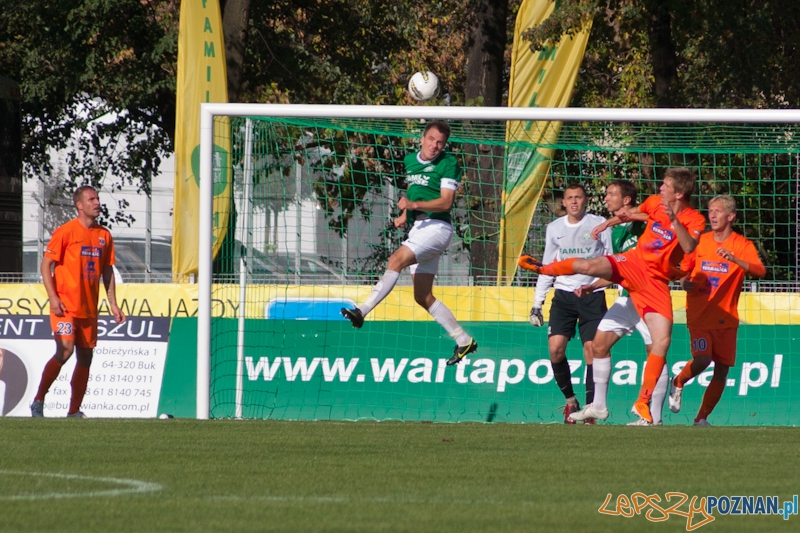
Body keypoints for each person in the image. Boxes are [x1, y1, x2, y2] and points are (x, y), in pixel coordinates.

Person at [519, 168, 706, 424]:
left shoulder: (693, 219)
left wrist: (673, 220)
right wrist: (609, 222)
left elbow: (688, 246)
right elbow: (638, 214)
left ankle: (649, 411)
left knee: (660, 345)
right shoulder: (649, 206)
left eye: (665, 186)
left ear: (679, 193)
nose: (660, 189)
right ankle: (598, 407)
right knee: (597, 341)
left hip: (652, 284)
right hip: (630, 275)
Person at [341, 121, 477, 365]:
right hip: (419, 227)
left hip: (438, 228)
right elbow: (417, 192)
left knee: (396, 260)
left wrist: (412, 206)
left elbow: (445, 203)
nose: (435, 145)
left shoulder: (448, 163)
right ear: (423, 138)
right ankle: (464, 340)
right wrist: (406, 216)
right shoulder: (410, 161)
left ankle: (361, 311)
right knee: (423, 296)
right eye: (432, 139)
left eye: (440, 142)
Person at [567, 180, 669, 426]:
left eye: (611, 193)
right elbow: (620, 269)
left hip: (649, 297)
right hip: (626, 299)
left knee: (654, 352)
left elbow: (660, 222)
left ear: (626, 200)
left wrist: (624, 218)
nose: (606, 198)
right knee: (598, 346)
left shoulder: (646, 223)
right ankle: (599, 407)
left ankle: (653, 418)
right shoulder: (616, 232)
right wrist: (592, 285)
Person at [668, 195, 766, 426]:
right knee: (702, 360)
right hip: (700, 315)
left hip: (727, 318)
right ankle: (678, 382)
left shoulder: (742, 245)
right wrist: (683, 282)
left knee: (721, 371)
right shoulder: (700, 242)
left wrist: (735, 260)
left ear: (731, 216)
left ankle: (701, 418)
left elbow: (760, 271)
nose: (712, 215)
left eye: (718, 211)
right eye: (710, 210)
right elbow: (682, 272)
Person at [30, 186, 126, 418]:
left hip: (89, 309)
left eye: (98, 198)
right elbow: (46, 265)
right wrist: (53, 298)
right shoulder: (66, 232)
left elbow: (107, 271)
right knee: (65, 351)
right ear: (79, 205)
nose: (97, 202)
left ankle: (73, 411)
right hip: (65, 306)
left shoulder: (104, 235)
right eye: (91, 199)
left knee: (86, 357)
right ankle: (39, 400)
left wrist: (113, 303)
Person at [528, 183, 613, 423]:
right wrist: (538, 303)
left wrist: (603, 285)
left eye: (578, 197)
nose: (574, 202)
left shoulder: (599, 225)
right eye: (569, 198)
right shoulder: (554, 228)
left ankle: (590, 409)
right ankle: (570, 400)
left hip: (591, 296)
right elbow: (547, 267)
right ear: (563, 202)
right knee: (555, 350)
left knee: (591, 351)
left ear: (586, 200)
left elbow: (613, 262)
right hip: (563, 296)